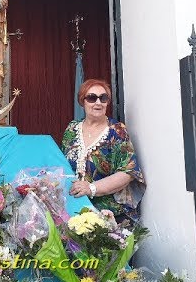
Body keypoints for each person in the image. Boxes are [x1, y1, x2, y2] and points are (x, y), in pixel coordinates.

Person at [62, 79, 146, 222]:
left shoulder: (117, 131)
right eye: (92, 98)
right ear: (83, 101)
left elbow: (128, 172)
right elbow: (63, 165)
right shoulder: (72, 128)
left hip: (109, 214)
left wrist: (91, 188)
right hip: (74, 208)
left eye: (103, 98)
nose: (98, 102)